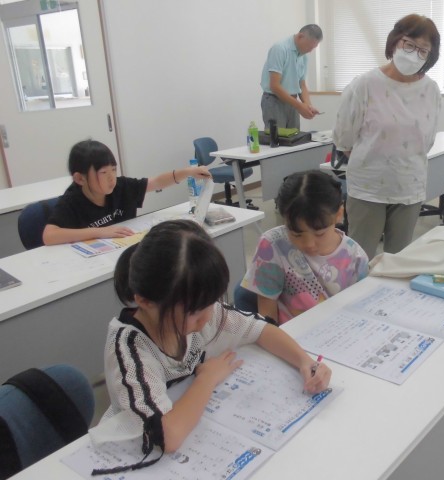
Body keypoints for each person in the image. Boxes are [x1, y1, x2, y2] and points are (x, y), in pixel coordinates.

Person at [90, 220, 331, 472]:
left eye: (212, 303)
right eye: (195, 312)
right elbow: (167, 436)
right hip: (131, 453)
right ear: (146, 302)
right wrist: (207, 379)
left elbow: (260, 329)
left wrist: (305, 362)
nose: (208, 317)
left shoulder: (201, 311)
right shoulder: (130, 349)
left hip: (194, 428)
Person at [332, 14, 441, 260]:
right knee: (360, 259)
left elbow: (427, 140)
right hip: (368, 187)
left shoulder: (431, 90)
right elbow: (344, 138)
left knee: (398, 260)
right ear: (395, 41)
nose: (414, 54)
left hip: (409, 186)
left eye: (423, 50)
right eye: (409, 44)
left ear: (430, 56)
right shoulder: (365, 85)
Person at [242, 170, 368, 325]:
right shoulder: (273, 246)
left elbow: (361, 309)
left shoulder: (355, 256)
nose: (309, 244)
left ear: (339, 214)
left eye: (319, 234)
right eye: (296, 234)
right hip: (290, 336)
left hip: (341, 331)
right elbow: (267, 320)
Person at [42, 139, 211, 245]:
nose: (111, 178)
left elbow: (156, 182)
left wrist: (188, 172)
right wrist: (101, 231)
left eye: (113, 170)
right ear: (80, 178)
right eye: (103, 172)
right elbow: (49, 236)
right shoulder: (72, 200)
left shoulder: (121, 187)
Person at [260, 24, 323, 130]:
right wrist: (299, 106)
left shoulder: (303, 57)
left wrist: (308, 106)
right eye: (309, 46)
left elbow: (301, 84)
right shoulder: (280, 49)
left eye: (313, 48)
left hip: (292, 102)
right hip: (274, 101)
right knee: (277, 138)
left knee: (295, 138)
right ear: (300, 36)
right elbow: (274, 86)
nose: (310, 51)